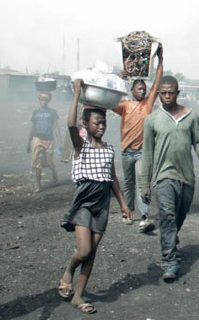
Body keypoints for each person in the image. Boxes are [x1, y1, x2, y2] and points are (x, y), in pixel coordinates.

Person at [140, 75, 199, 282]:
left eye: (171, 92)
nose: (168, 96)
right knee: (168, 215)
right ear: (159, 95)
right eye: (163, 93)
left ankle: (171, 239)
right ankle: (170, 260)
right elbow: (147, 154)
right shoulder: (152, 120)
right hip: (163, 177)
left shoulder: (191, 116)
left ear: (178, 93)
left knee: (179, 215)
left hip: (186, 177)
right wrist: (145, 184)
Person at [57, 79, 131, 315]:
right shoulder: (82, 146)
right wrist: (77, 94)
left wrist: (123, 204)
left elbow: (113, 180)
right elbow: (70, 124)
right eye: (97, 123)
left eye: (103, 123)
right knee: (84, 250)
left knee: (92, 254)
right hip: (84, 203)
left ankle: (77, 297)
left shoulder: (109, 149)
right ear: (86, 125)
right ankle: (68, 271)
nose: (101, 127)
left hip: (102, 205)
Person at [113, 44, 163, 232]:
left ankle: (144, 215)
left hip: (142, 152)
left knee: (143, 182)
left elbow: (157, 83)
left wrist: (160, 60)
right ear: (132, 89)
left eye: (144, 88)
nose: (142, 91)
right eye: (139, 88)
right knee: (128, 184)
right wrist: (119, 78)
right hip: (126, 152)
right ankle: (128, 212)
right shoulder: (124, 105)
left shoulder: (148, 104)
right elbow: (109, 98)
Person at [27, 92, 61, 191]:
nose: (43, 102)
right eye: (41, 100)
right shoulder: (36, 112)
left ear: (48, 101)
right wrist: (29, 142)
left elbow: (56, 127)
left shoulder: (52, 112)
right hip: (37, 139)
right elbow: (32, 128)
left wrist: (59, 142)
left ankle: (54, 174)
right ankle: (38, 185)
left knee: (49, 161)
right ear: (39, 100)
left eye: (45, 100)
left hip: (49, 139)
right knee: (37, 162)